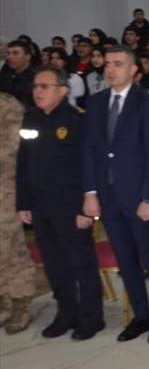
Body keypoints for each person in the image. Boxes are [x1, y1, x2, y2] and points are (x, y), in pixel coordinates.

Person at [81, 45, 149, 342]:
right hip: (107, 195)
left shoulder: (146, 102)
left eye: (118, 64)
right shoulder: (95, 103)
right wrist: (90, 192)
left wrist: (148, 198)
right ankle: (140, 314)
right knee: (124, 258)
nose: (110, 69)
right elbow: (90, 151)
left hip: (138, 196)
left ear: (134, 70)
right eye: (107, 64)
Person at [16, 68, 106, 339]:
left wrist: (85, 208)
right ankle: (66, 313)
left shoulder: (78, 120)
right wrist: (23, 202)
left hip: (71, 207)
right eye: (36, 86)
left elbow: (90, 167)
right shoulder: (30, 118)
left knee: (81, 263)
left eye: (45, 86)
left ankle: (92, 317)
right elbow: (24, 164)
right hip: (41, 206)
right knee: (54, 264)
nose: (38, 91)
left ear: (63, 90)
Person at [1, 92, 38, 333]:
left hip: (6, 186)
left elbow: (16, 149)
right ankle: (3, 297)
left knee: (11, 246)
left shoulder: (8, 105)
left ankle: (21, 299)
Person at [1, 39, 36, 106]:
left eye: (15, 53)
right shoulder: (4, 76)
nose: (9, 57)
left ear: (28, 57)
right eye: (8, 53)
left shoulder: (35, 79)